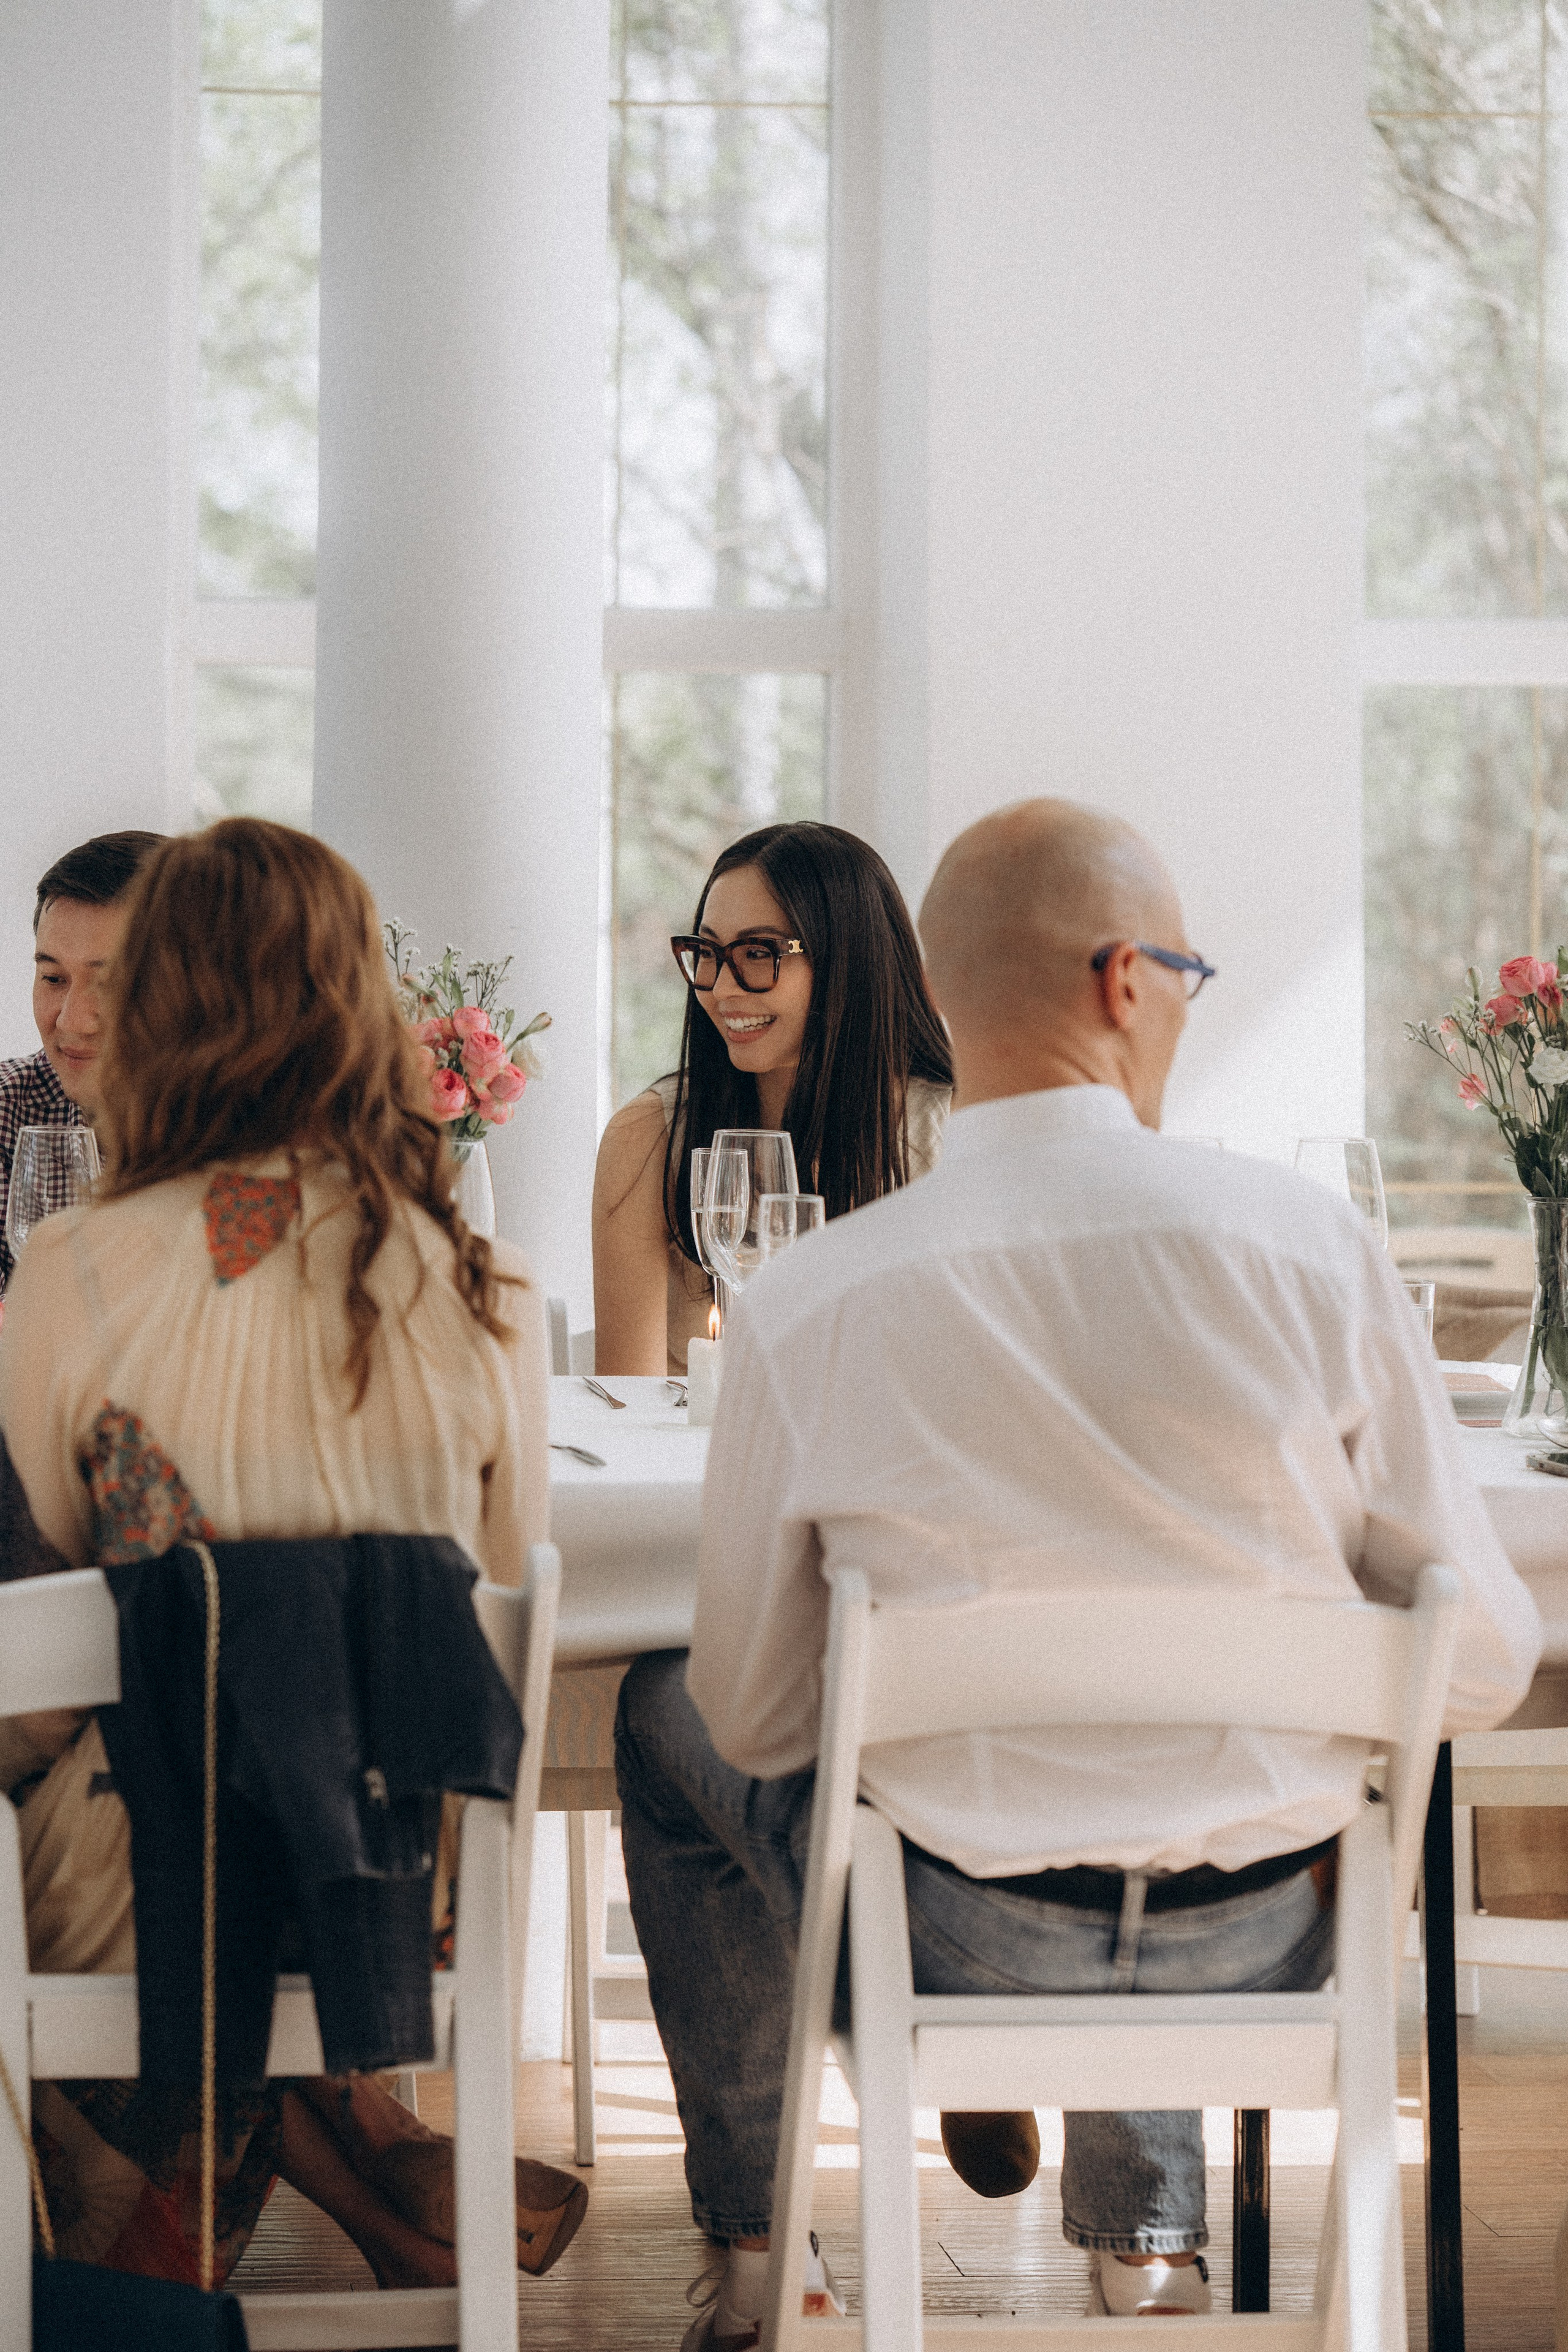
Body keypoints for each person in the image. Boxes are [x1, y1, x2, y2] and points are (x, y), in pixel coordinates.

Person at [613, 797, 1543, 2348]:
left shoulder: (808, 1300)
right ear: (1126, 978)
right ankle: (1152, 2248)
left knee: (664, 1717)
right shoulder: (1312, 1250)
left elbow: (763, 1712)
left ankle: (766, 2251)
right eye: (1188, 970)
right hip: (1266, 1947)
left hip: (952, 1938)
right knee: (1190, 1781)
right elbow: (1480, 1658)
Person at [0, 818, 582, 2289]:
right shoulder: (486, 1280)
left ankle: (128, 2256)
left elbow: (66, 1599)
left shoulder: (68, 1271)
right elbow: (502, 1577)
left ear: (157, 1011)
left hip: (152, 1866)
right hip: (407, 1882)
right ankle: (359, 2177)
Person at [592, 821, 954, 1374]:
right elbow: (627, 1404)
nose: (722, 987)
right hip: (696, 1463)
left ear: (849, 959)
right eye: (709, 951)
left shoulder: (953, 1130)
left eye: (759, 953)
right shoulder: (650, 1138)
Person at [0, 829, 163, 1291]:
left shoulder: (258, 1138)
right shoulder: (6, 1112)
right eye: (53, 978)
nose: (72, 1022)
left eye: (110, 984)